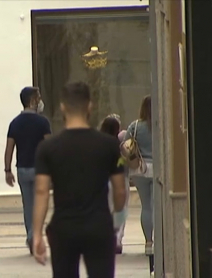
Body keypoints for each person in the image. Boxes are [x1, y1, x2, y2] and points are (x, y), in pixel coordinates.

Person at [33, 82, 126, 278]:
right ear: (89, 106)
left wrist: (37, 234)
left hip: (64, 227)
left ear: (63, 107)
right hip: (98, 225)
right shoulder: (108, 145)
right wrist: (116, 213)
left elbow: (41, 191)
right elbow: (119, 190)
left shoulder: (48, 147)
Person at [4, 86, 51, 254]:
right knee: (40, 204)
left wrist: (7, 170)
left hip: (22, 169)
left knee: (28, 204)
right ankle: (36, 234)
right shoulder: (43, 122)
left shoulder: (15, 123)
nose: (40, 101)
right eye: (38, 97)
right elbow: (48, 145)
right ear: (32, 101)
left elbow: (9, 148)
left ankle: (31, 236)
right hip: (40, 169)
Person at [123, 95, 153, 255]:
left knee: (146, 206)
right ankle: (160, 240)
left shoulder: (134, 126)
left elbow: (126, 146)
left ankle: (149, 241)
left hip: (139, 170)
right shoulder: (159, 125)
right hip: (157, 169)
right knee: (156, 206)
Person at [100, 116, 130, 254]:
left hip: (103, 180)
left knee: (106, 210)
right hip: (120, 179)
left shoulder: (98, 143)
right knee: (121, 209)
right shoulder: (120, 144)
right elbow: (128, 159)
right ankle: (117, 238)